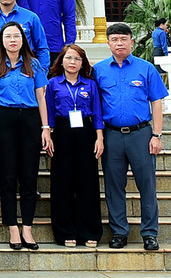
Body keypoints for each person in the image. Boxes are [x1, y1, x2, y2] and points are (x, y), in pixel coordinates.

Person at [94, 22, 168, 251]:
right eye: (114, 40)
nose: (119, 44)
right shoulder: (99, 70)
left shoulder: (146, 68)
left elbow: (156, 102)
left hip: (141, 134)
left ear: (132, 42)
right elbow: (94, 104)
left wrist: (156, 134)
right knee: (114, 186)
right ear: (108, 43)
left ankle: (149, 233)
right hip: (112, 135)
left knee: (147, 185)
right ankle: (119, 232)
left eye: (124, 39)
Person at [0, 21, 51, 251]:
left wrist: (46, 128)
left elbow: (41, 98)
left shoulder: (35, 65)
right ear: (1, 41)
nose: (13, 40)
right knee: (8, 177)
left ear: (23, 40)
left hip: (30, 120)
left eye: (17, 36)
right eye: (8, 36)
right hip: (4, 120)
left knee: (29, 177)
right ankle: (12, 226)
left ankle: (27, 228)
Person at [45, 43, 104, 247]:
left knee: (87, 182)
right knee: (62, 182)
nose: (72, 62)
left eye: (77, 59)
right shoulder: (53, 83)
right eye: (69, 58)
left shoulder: (90, 85)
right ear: (61, 61)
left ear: (83, 63)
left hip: (85, 133)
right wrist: (48, 133)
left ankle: (90, 231)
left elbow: (97, 112)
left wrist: (100, 137)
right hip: (62, 131)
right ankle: (65, 230)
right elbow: (49, 112)